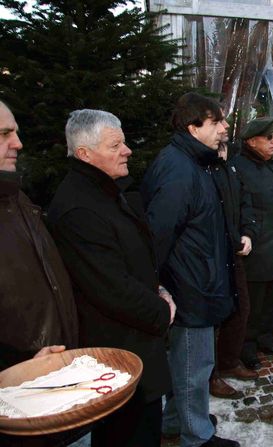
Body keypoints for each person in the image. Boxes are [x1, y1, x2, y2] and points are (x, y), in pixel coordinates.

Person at [48, 109, 176, 447]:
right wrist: (161, 310)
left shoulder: (106, 190)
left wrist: (159, 289)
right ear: (85, 154)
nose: (128, 150)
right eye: (115, 144)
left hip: (135, 351)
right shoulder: (79, 208)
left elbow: (134, 260)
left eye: (124, 142)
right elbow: (111, 287)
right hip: (118, 360)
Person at [141, 93, 240, 447]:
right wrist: (158, 284)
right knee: (192, 368)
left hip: (199, 279)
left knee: (189, 363)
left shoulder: (193, 162)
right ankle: (196, 436)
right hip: (190, 285)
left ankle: (176, 420)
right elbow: (158, 233)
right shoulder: (179, 168)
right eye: (216, 122)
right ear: (192, 127)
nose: (224, 128)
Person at [0, 101, 82, 447]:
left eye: (15, 131)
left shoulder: (16, 197)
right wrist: (12, 370)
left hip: (49, 382)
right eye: (4, 134)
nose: (18, 143)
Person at [231, 117, 273, 369]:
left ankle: (266, 338)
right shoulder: (239, 167)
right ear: (252, 141)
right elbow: (239, 209)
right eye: (268, 138)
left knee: (271, 300)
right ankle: (247, 346)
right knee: (253, 304)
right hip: (257, 249)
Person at [209, 113, 259, 393]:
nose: (222, 151)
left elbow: (245, 204)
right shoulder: (203, 172)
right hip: (212, 256)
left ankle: (229, 360)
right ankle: (210, 374)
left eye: (225, 146)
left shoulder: (231, 170)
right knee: (213, 316)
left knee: (241, 308)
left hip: (235, 254)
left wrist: (248, 233)